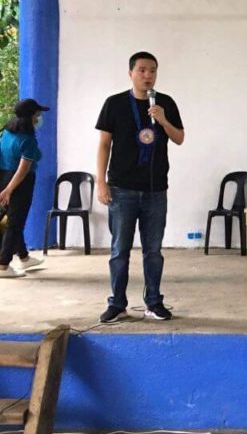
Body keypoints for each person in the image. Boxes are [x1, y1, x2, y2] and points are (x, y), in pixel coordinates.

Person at [96, 52, 184, 323]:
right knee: (119, 250)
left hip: (155, 188)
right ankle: (117, 304)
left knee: (153, 251)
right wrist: (101, 181)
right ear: (131, 73)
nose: (148, 75)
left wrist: (163, 119)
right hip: (122, 187)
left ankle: (154, 302)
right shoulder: (115, 103)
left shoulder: (165, 102)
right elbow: (104, 144)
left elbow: (179, 138)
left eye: (153, 71)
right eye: (143, 70)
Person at [0, 98, 49, 278]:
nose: (39, 118)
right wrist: (10, 190)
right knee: (15, 222)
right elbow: (23, 169)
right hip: (20, 183)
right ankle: (3, 265)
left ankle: (24, 257)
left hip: (4, 177)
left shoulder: (7, 132)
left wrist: (4, 187)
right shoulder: (28, 140)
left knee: (14, 218)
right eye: (37, 114)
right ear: (31, 117)